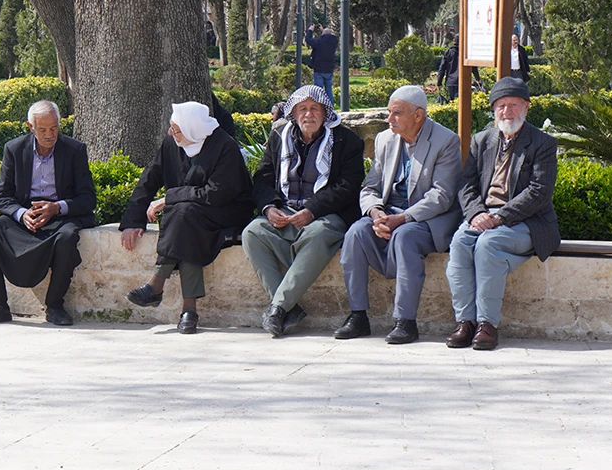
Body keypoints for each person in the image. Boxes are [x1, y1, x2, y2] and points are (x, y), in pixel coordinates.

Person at [334, 86, 462, 344]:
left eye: (396, 113)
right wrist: (376, 212)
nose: (389, 119)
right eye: (389, 112)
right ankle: (358, 316)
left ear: (418, 116)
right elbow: (370, 186)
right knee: (356, 233)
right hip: (389, 213)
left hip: (427, 219)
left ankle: (405, 322)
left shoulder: (446, 141)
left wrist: (401, 219)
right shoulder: (385, 139)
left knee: (404, 237)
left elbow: (442, 196)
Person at [445, 77, 560, 351]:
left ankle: (487, 325)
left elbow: (539, 192)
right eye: (501, 106)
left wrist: (498, 218)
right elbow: (466, 184)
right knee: (460, 243)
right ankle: (466, 322)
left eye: (513, 105)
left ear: (526, 108)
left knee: (488, 245)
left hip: (526, 221)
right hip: (483, 217)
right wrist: (476, 214)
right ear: (494, 111)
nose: (507, 112)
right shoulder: (482, 141)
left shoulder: (542, 143)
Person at [241, 85, 364, 337]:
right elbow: (263, 176)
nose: (309, 115)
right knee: (252, 233)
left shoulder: (347, 141)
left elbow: (348, 186)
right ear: (294, 114)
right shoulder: (279, 137)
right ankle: (290, 309)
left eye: (314, 109)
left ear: (325, 112)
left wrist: (312, 210)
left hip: (326, 213)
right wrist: (268, 207)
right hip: (285, 209)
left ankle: (278, 307)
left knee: (317, 235)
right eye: (303, 109)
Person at [121, 101, 254, 334]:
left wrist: (169, 198)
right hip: (188, 216)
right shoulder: (172, 144)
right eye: (172, 128)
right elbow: (149, 178)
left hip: (225, 212)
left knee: (183, 216)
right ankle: (188, 311)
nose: (172, 133)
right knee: (185, 218)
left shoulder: (224, 146)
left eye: (176, 129)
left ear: (193, 128)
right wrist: (133, 221)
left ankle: (157, 285)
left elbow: (216, 193)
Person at [0, 100, 95, 326]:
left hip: (60, 217)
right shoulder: (14, 149)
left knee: (67, 239)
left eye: (54, 128)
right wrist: (22, 213)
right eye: (42, 129)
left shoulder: (75, 150)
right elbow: (2, 196)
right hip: (24, 216)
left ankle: (54, 306)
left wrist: (57, 207)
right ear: (30, 126)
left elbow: (88, 198)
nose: (49, 135)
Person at [306, 26, 338, 104]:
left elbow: (308, 40)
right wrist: (323, 30)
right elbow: (327, 37)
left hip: (319, 69)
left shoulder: (319, 42)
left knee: (318, 90)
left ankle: (319, 106)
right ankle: (330, 106)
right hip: (329, 69)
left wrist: (310, 30)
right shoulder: (334, 42)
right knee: (328, 90)